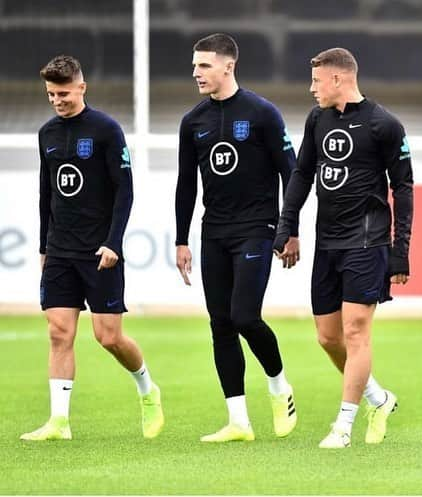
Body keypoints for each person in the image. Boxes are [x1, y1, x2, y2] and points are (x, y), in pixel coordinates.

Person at [273, 47, 413, 449]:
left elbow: (403, 188)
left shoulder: (384, 124)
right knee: (327, 337)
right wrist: (288, 225)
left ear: (338, 79)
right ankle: (378, 399)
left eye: (316, 80)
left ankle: (344, 425)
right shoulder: (317, 119)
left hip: (367, 241)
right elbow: (302, 174)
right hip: (328, 241)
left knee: (355, 332)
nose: (311, 88)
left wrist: (400, 249)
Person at [22, 55, 164, 441]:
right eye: (51, 94)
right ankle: (59, 422)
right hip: (60, 250)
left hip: (100, 251)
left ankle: (147, 389)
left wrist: (114, 242)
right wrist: (43, 247)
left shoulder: (106, 130)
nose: (57, 100)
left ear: (81, 88)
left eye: (64, 93)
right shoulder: (46, 133)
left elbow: (125, 190)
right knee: (58, 332)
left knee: (108, 337)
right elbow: (45, 194)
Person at [175, 33, 297, 442]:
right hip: (214, 233)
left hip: (257, 229)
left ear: (228, 65)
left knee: (245, 316)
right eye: (194, 66)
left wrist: (288, 229)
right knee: (221, 323)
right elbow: (185, 187)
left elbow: (291, 172)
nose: (196, 73)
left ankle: (280, 387)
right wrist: (181, 239)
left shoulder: (262, 113)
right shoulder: (193, 122)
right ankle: (238, 421)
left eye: (204, 65)